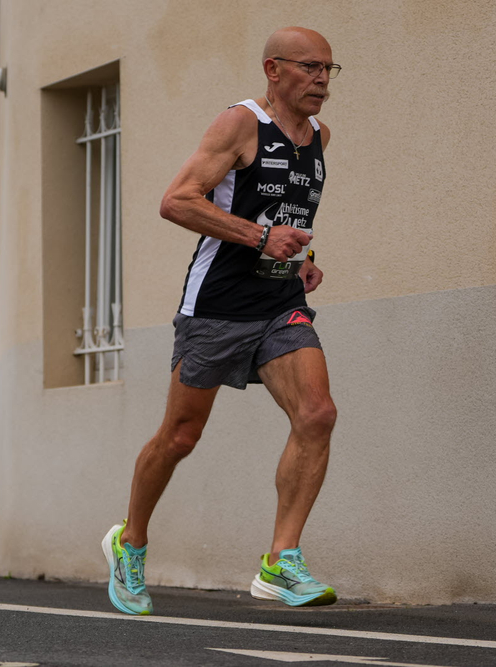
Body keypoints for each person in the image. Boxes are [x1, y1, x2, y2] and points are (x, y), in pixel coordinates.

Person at [102, 26, 342, 615]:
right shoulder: (240, 124)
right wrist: (263, 238)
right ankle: (130, 541)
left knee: (317, 414)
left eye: (329, 70)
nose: (321, 79)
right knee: (180, 437)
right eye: (310, 67)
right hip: (214, 307)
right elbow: (177, 199)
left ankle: (280, 561)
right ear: (273, 70)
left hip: (278, 304)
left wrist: (303, 258)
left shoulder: (318, 137)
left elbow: (287, 214)